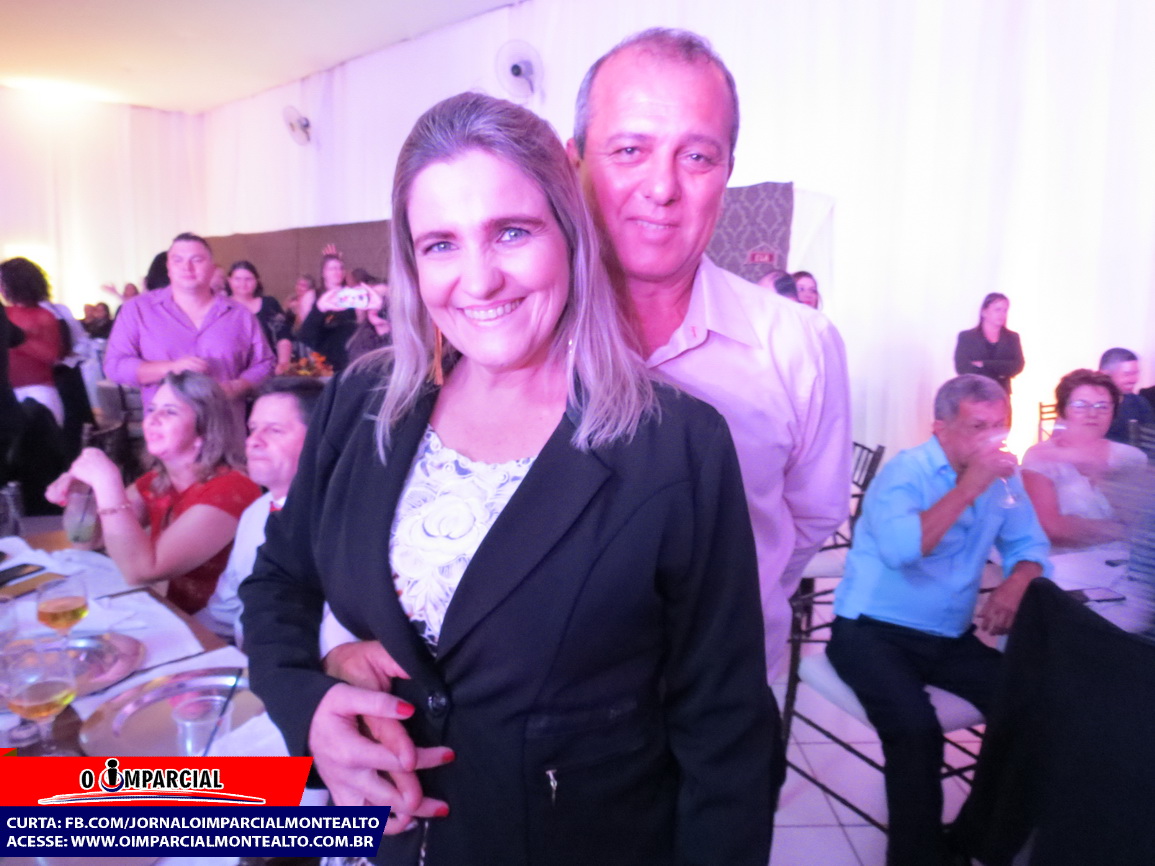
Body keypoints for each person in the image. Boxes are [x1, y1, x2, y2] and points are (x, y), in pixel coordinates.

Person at [240, 92, 777, 865]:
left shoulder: (676, 446)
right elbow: (279, 583)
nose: (479, 280)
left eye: (511, 232)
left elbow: (722, 725)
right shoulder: (363, 401)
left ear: (569, 235)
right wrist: (308, 702)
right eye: (440, 244)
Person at [567, 28, 851, 677]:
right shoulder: (523, 336)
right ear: (574, 161)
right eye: (629, 150)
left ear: (726, 174)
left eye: (696, 157)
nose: (661, 187)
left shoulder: (799, 345)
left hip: (727, 691)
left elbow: (804, 525)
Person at [828, 374, 1051, 866]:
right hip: (870, 629)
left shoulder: (1003, 480)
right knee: (915, 730)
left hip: (947, 636)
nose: (992, 440)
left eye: (999, 426)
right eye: (977, 427)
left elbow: (1031, 544)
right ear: (941, 428)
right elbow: (902, 549)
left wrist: (1017, 580)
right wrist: (969, 488)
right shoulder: (904, 474)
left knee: (1034, 707)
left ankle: (977, 840)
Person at [47, 371, 261, 614]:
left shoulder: (231, 489)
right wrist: (83, 491)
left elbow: (141, 572)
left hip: (221, 627)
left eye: (170, 412)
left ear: (203, 431)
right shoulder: (159, 481)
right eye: (151, 409)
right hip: (179, 613)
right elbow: (87, 540)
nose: (152, 419)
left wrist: (108, 483)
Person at [198, 377, 325, 643]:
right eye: (253, 429)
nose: (253, 441)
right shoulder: (256, 512)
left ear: (320, 439)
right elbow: (224, 612)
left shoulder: (335, 524)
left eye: (274, 430)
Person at [103, 232, 274, 412]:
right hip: (166, 425)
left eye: (197, 260)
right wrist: (170, 368)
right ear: (169, 267)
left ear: (212, 268)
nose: (187, 267)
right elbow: (115, 365)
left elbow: (265, 363)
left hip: (225, 422)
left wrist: (239, 386)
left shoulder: (239, 314)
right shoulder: (138, 310)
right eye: (178, 260)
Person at [1022, 369, 1146, 558]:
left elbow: (1142, 522)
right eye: (1080, 405)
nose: (1092, 413)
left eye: (1102, 406)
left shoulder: (1131, 458)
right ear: (1063, 410)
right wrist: (1121, 530)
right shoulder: (1041, 457)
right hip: (1065, 565)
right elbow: (1052, 529)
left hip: (1128, 563)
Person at [0, 257, 65, 425]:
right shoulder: (5, 313)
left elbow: (51, 355)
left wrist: (16, 338)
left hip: (38, 390)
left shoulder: (43, 315)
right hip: (9, 394)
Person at [226, 261, 292, 375]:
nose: (243, 284)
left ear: (257, 281)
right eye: (237, 279)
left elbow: (283, 335)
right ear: (229, 280)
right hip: (233, 371)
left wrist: (283, 363)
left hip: (270, 369)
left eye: (248, 279)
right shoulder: (221, 306)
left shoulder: (270, 303)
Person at [953, 293, 1024, 398]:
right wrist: (1001, 369)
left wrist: (984, 364)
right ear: (984, 312)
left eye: (1005, 310)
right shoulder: (967, 337)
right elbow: (962, 369)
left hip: (1001, 394)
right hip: (974, 395)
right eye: (997, 310)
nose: (1002, 314)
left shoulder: (1012, 337)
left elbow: (1018, 365)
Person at [297, 253, 358, 372]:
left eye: (341, 268)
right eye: (332, 268)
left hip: (346, 355)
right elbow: (307, 332)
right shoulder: (312, 296)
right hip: (321, 358)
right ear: (323, 273)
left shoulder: (351, 295)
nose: (338, 271)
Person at [1099, 347, 1155, 443]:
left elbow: (1150, 443)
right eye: (1127, 374)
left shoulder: (1139, 403)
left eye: (1136, 373)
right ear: (1105, 374)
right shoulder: (1090, 406)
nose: (1134, 379)